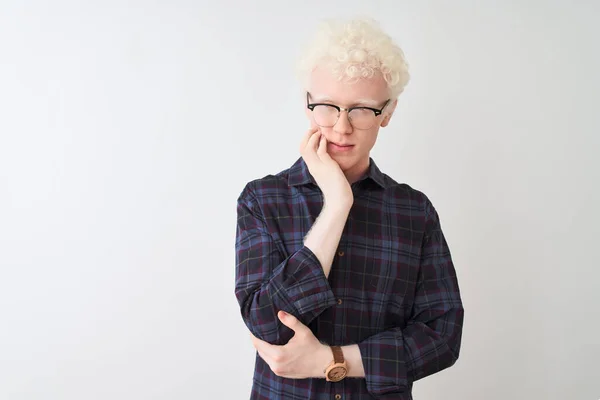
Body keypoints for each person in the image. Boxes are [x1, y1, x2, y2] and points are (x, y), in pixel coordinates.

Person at [234, 17, 464, 399]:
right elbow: (266, 324)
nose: (341, 127)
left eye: (361, 110)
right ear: (308, 107)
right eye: (328, 107)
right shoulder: (262, 200)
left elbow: (442, 336)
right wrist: (338, 205)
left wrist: (332, 360)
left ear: (386, 113)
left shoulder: (415, 212)